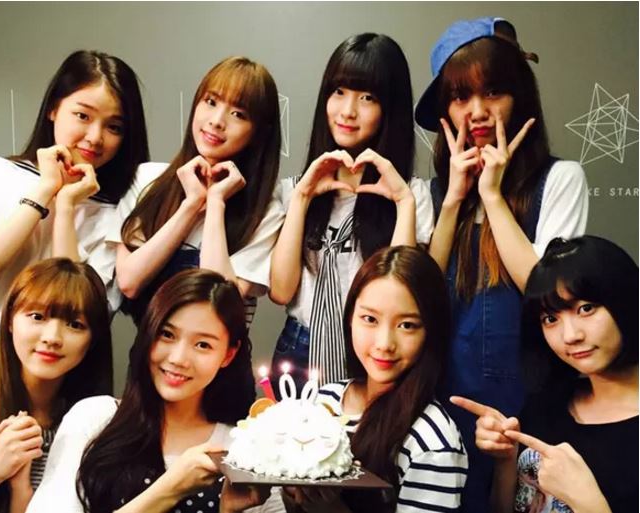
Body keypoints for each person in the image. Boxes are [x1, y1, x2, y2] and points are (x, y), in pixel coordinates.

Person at [414, 17, 589, 510]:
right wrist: (454, 201)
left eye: (492, 91)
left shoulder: (560, 180)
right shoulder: (430, 195)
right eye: (459, 97)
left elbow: (544, 289)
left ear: (520, 97)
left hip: (530, 410)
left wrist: (492, 195)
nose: (477, 111)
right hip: (440, 409)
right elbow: (418, 300)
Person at [27, 268, 282, 513]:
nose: (178, 358)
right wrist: (169, 490)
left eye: (203, 345)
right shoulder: (94, 418)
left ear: (228, 354)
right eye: (167, 334)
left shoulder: (240, 450)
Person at [0, 50, 149, 373]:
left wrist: (67, 207)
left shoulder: (121, 211)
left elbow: (75, 306)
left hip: (64, 372)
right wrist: (46, 190)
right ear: (53, 109)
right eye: (83, 116)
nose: (95, 137)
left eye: (114, 127)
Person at [269, 34, 434, 389]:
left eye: (367, 97)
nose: (347, 110)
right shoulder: (294, 190)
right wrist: (302, 198)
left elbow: (401, 296)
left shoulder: (412, 194)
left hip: (373, 351)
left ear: (390, 109)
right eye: (339, 91)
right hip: (299, 349)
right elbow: (281, 291)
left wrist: (404, 204)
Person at [451, 236, 638, 512]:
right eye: (551, 319)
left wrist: (588, 502)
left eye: (586, 309)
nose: (570, 335)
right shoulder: (545, 404)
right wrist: (507, 459)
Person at [283, 246, 467, 513]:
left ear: (431, 331)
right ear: (350, 318)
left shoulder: (431, 441)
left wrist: (332, 510)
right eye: (370, 319)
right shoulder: (325, 400)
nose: (384, 343)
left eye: (407, 325)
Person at [112, 56, 283, 327]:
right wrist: (191, 205)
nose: (216, 121)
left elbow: (219, 309)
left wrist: (215, 203)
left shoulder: (266, 212)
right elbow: (129, 282)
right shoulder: (147, 179)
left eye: (238, 114)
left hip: (219, 352)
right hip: (151, 350)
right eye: (211, 101)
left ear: (259, 132)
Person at [0, 258, 113, 513]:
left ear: (92, 340)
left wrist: (22, 492)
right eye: (37, 316)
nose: (52, 338)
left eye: (75, 325)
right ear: (10, 320)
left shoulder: (92, 430)